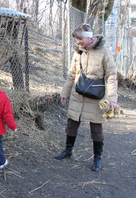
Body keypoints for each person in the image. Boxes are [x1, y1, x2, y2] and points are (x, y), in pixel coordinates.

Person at [56, 23, 118, 172]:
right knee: (72, 123)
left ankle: (97, 157)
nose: (77, 42)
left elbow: (111, 76)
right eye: (76, 39)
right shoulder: (78, 53)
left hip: (96, 96)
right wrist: (65, 93)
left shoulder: (104, 52)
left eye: (79, 39)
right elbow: (71, 75)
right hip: (78, 94)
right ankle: (68, 150)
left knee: (96, 128)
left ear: (88, 38)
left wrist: (112, 98)